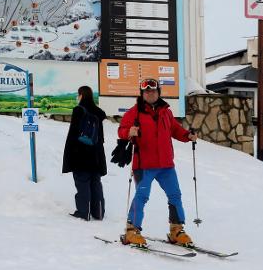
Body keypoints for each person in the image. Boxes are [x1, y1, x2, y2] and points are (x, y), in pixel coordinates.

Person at [118, 78, 198, 247]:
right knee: (142, 196)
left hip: (166, 164)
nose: (150, 93)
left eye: (153, 91)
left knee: (175, 195)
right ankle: (132, 230)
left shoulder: (165, 112)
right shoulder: (134, 112)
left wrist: (187, 136)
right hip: (144, 164)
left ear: (158, 92)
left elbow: (175, 130)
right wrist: (129, 132)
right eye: (146, 91)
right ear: (142, 94)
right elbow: (121, 130)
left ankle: (176, 229)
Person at [62, 85, 106, 221]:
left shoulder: (79, 110)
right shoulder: (98, 112)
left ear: (81, 95)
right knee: (95, 183)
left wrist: (69, 155)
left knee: (82, 183)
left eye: (78, 94)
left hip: (80, 154)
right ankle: (98, 212)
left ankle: (83, 212)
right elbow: (101, 137)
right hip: (96, 154)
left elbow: (73, 134)